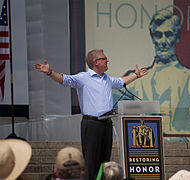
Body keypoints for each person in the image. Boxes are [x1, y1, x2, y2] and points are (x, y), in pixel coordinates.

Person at [34, 49, 147, 179]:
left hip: (107, 123)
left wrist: (136, 75)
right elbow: (65, 79)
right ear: (96, 62)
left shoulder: (107, 79)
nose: (107, 60)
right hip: (92, 124)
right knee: (91, 162)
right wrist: (49, 72)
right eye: (104, 58)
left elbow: (121, 82)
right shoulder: (84, 77)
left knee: (105, 162)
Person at [124, 8, 190, 142]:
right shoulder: (135, 83)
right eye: (158, 35)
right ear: (152, 37)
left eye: (168, 34)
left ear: (177, 36)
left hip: (189, 151)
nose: (163, 41)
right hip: (148, 147)